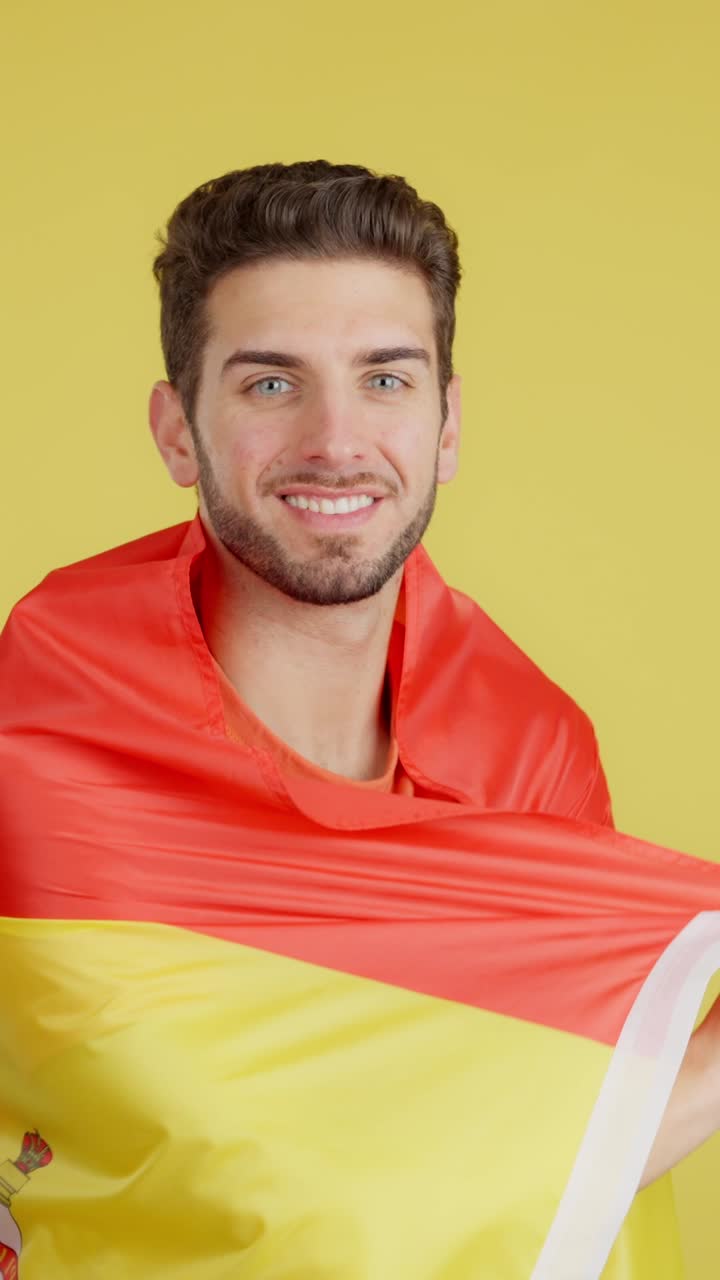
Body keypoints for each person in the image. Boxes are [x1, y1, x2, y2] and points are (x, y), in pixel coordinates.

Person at [2, 160, 720, 1278]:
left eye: (386, 379)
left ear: (447, 422)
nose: (337, 441)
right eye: (271, 384)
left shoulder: (531, 754)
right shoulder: (34, 735)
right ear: (178, 430)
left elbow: (558, 1153)